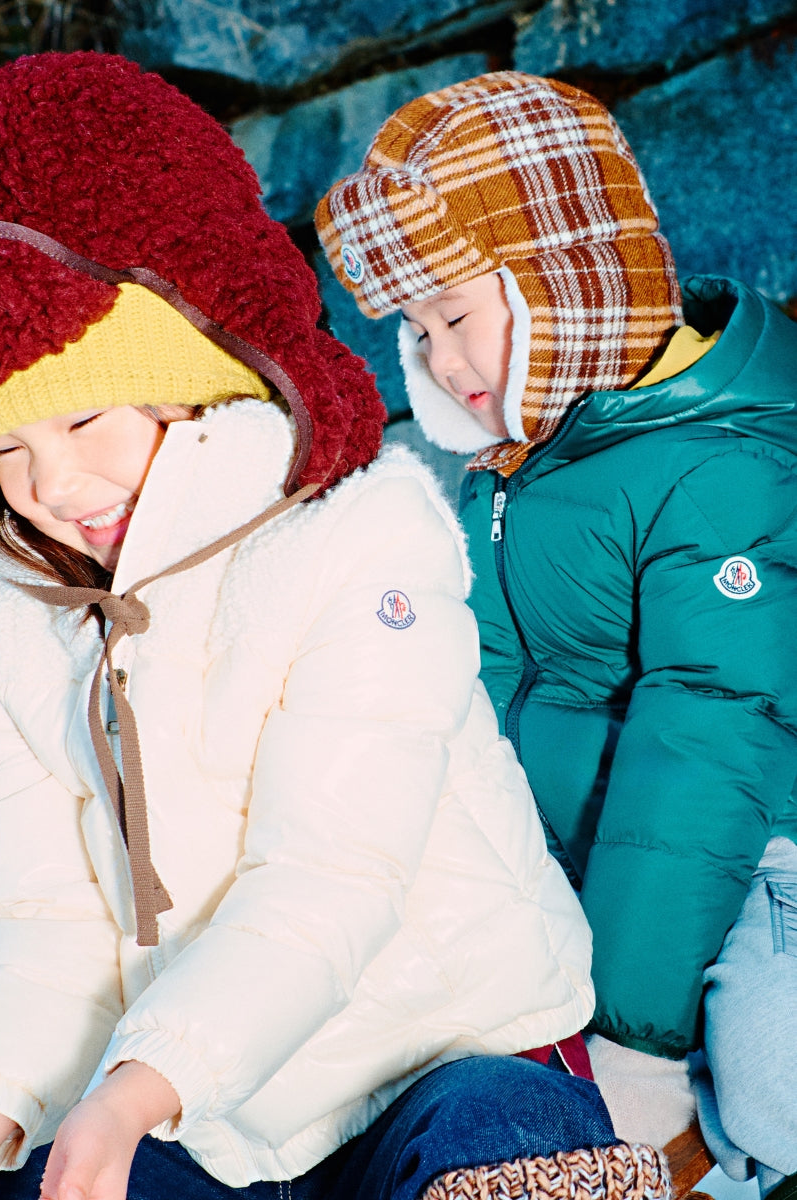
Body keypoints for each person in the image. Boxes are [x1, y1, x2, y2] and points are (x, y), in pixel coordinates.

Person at [0, 53, 670, 1200]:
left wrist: (138, 1091)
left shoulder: (359, 541)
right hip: (223, 1108)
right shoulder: (19, 619)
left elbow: (332, 874)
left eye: (87, 422)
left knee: (500, 1137)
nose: (51, 485)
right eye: (3, 449)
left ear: (191, 382)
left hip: (444, 1055)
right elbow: (41, 922)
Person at [316, 69, 797, 1192]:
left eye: (456, 317)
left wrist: (635, 1038)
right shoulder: (527, 459)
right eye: (416, 330)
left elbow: (706, 747)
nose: (440, 362)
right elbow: (480, 685)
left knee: (768, 1074)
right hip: (592, 859)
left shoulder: (721, 468)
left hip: (758, 846)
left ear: (567, 281)